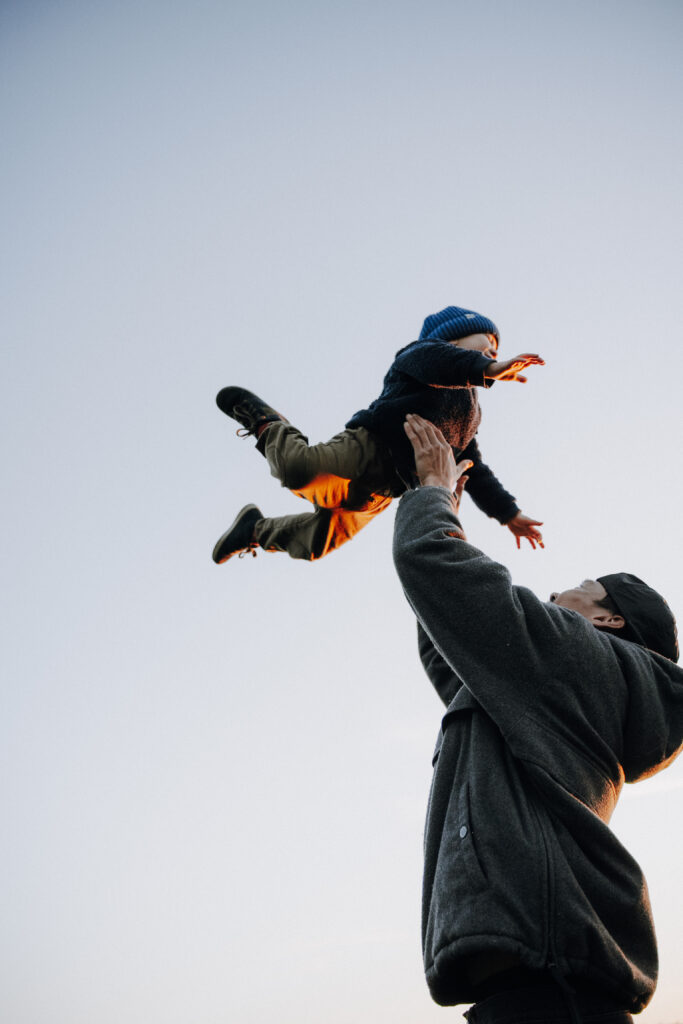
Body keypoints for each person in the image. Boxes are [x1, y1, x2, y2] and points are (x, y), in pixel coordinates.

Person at [392, 413, 683, 1024]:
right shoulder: (550, 686)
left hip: (554, 994)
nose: (560, 591)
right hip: (538, 990)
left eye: (581, 587)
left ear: (607, 620)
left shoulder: (584, 658)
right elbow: (450, 637)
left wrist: (432, 498)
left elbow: (440, 574)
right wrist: (438, 503)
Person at [211, 305, 544, 564]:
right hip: (368, 449)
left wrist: (508, 514)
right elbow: (439, 362)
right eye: (487, 344)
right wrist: (484, 369)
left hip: (385, 491)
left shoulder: (471, 412)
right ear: (453, 340)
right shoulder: (419, 357)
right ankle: (267, 423)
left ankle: (254, 530)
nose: (494, 353)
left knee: (316, 544)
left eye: (497, 352)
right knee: (298, 471)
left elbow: (474, 468)